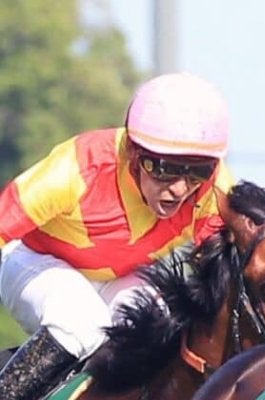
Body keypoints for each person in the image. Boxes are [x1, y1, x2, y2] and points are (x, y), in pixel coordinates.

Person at [0, 72, 234, 399]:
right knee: (80, 322)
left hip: (117, 278)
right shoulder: (79, 168)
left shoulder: (213, 190)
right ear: (134, 154)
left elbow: (224, 271)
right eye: (164, 169)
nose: (180, 189)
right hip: (33, 259)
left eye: (198, 171)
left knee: (159, 327)